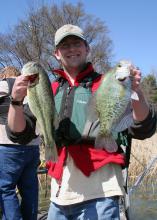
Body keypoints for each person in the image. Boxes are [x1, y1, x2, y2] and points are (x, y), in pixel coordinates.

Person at [6, 24, 156, 220]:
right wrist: (16, 100)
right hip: (60, 195)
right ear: (57, 53)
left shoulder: (108, 83)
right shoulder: (47, 88)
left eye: (77, 43)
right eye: (65, 45)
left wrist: (136, 91)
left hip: (102, 192)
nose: (71, 49)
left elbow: (143, 128)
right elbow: (18, 134)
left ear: (87, 48)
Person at [0, 66, 40, 220]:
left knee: (6, 189)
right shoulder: (31, 86)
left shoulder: (4, 84)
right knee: (30, 189)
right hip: (33, 145)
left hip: (7, 144)